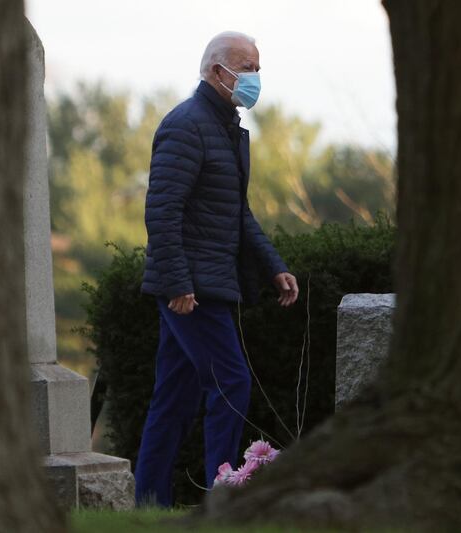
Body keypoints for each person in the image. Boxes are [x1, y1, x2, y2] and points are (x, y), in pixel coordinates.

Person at [134, 31, 299, 507]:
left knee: (174, 400)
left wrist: (273, 266)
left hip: (206, 284)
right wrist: (178, 284)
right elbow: (162, 211)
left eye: (258, 68)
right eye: (246, 68)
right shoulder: (187, 125)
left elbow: (235, 212)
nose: (255, 78)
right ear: (215, 71)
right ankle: (223, 500)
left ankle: (148, 506)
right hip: (194, 290)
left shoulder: (224, 129)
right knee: (231, 383)